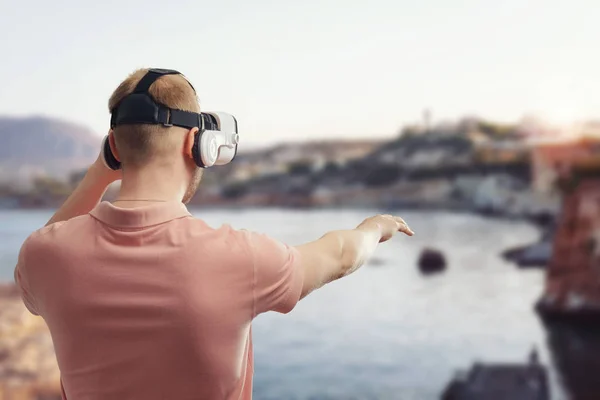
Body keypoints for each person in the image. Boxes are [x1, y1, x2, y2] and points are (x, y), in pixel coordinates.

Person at [13, 68, 414, 400]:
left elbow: (42, 256)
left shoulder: (45, 255)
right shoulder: (239, 257)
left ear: (114, 146)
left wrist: (101, 171)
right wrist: (375, 227)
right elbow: (342, 254)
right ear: (197, 144)